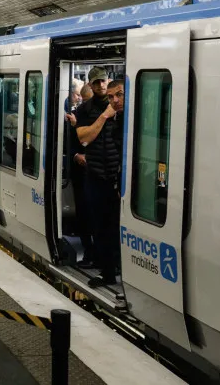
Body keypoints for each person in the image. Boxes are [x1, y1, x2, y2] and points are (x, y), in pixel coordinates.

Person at [75, 69, 125, 287]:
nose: (101, 86)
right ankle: (107, 272)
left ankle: (120, 267)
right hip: (95, 175)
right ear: (90, 85)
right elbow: (84, 138)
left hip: (118, 176)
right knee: (100, 226)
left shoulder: (127, 111)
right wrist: (104, 116)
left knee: (117, 226)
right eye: (96, 83)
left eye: (103, 82)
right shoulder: (85, 109)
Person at [65, 79, 94, 267]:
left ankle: (98, 254)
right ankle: (89, 252)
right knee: (83, 214)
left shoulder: (105, 118)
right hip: (80, 174)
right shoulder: (75, 116)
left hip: (97, 174)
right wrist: (75, 155)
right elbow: (69, 143)